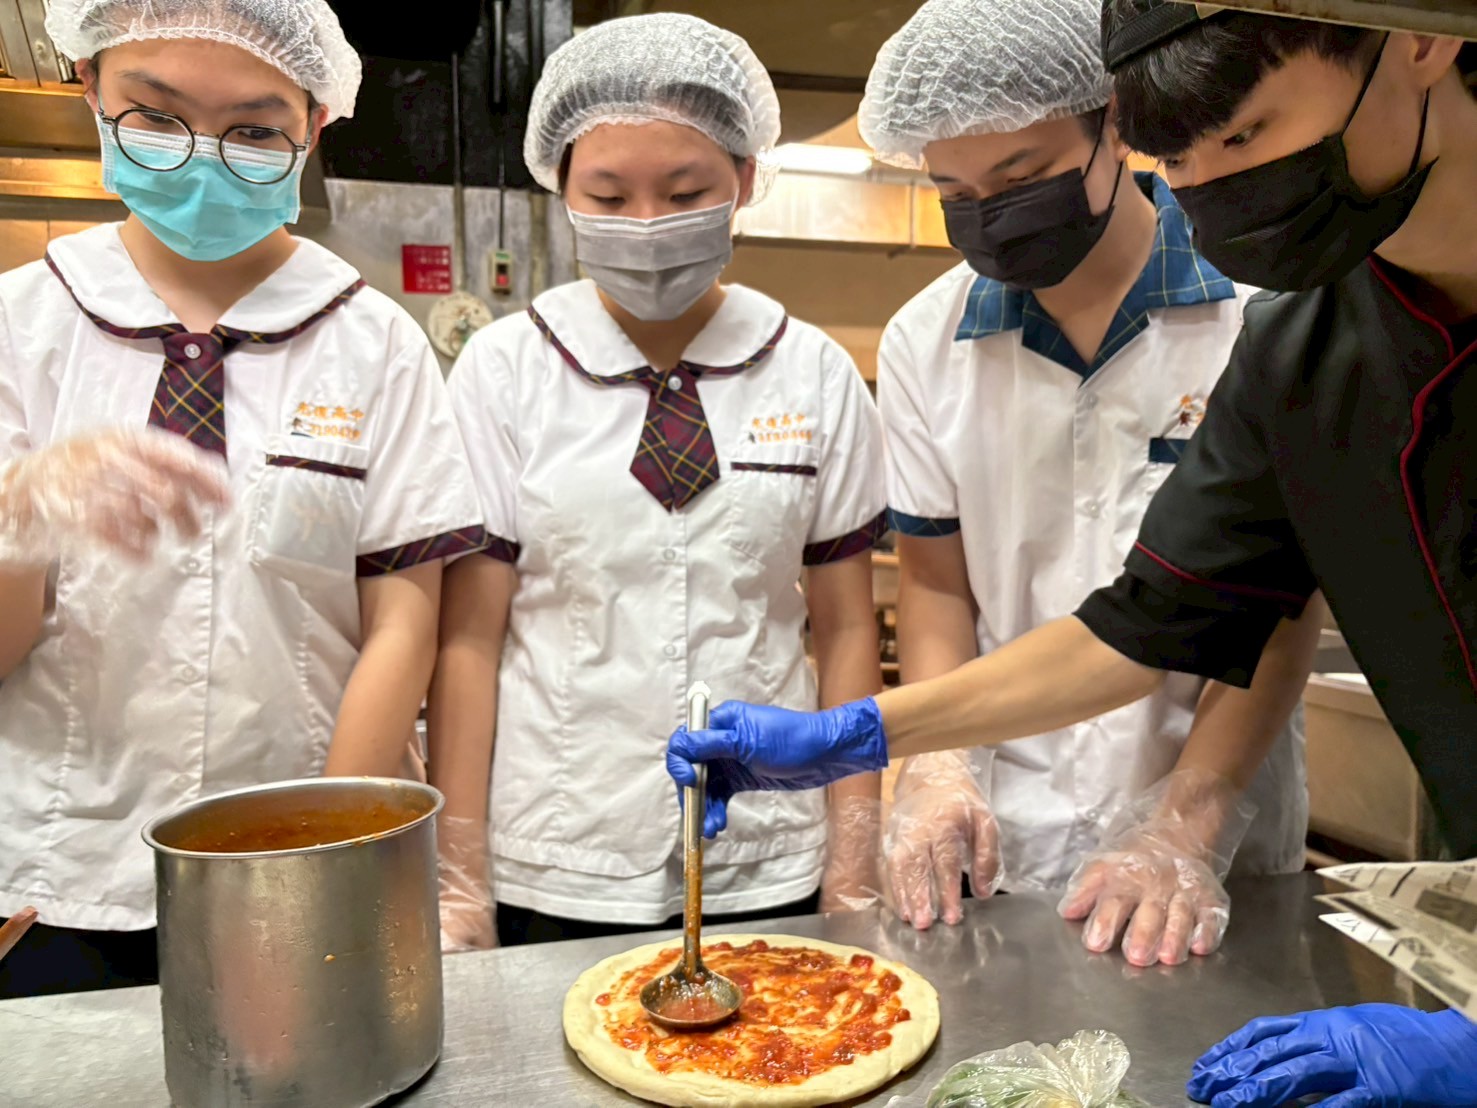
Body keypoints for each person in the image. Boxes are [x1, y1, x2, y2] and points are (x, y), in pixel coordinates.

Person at [666, 2, 1477, 1102]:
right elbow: (1150, 624)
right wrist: (869, 739)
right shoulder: (1304, 347)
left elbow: (1263, 633)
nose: (1212, 191)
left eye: (1241, 137)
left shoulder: (1268, 317)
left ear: (1419, 32)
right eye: (1180, 162)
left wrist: (1188, 820)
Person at [0, 0, 483, 999]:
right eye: (156, 116)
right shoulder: (19, 326)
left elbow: (401, 622)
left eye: (255, 131)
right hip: (57, 870)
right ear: (89, 86)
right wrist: (18, 525)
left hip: (297, 862)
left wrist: (324, 849)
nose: (201, 158)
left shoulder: (374, 343)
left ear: (315, 124)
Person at [856, 0, 1316, 967]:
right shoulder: (924, 342)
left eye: (1021, 177)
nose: (990, 212)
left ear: (1113, 123)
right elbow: (937, 586)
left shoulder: (1257, 311)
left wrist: (1184, 828)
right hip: (1009, 834)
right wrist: (936, 767)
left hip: (1215, 825)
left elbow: (1279, 616)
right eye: (954, 190)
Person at [427, 12, 887, 951]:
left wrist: (853, 858)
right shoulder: (505, 370)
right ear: (560, 188)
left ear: (745, 179)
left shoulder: (810, 371)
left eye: (684, 193)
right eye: (606, 194)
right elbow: (469, 639)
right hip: (556, 849)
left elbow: (845, 629)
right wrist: (459, 879)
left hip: (770, 848)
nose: (645, 225)